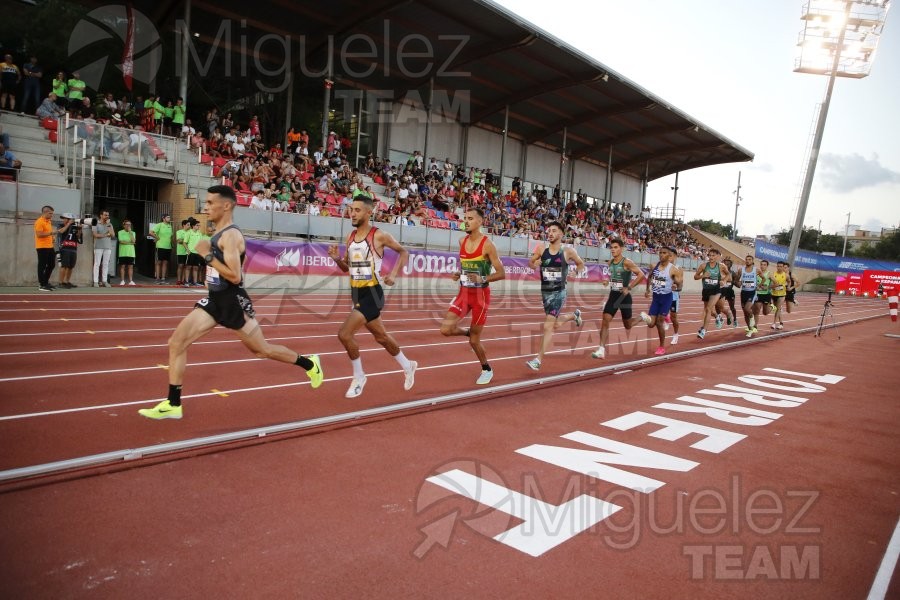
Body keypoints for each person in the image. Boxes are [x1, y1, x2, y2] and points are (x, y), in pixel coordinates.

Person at [139, 186, 323, 419]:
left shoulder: (231, 236)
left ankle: (310, 364)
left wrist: (207, 256)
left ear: (226, 205)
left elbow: (235, 276)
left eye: (209, 202)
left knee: (261, 350)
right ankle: (173, 403)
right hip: (215, 299)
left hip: (232, 300)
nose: (205, 207)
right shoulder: (217, 233)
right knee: (176, 342)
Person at [328, 195, 416, 398]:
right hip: (356, 292)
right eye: (351, 209)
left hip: (373, 293)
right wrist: (336, 259)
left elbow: (404, 252)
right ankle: (408, 364)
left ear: (369, 212)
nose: (353, 213)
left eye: (357, 210)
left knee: (344, 334)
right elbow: (347, 268)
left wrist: (393, 274)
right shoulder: (350, 237)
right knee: (382, 337)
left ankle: (359, 376)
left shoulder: (379, 235)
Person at [440, 207, 506, 384]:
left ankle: (486, 369)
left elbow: (501, 273)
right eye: (465, 218)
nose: (466, 221)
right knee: (445, 329)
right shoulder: (461, 241)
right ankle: (467, 332)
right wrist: (458, 273)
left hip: (480, 297)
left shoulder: (487, 245)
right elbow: (465, 267)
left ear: (480, 222)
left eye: (470, 218)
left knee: (474, 342)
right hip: (463, 293)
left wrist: (482, 277)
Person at [525, 221, 585, 370]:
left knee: (548, 326)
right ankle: (574, 315)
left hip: (559, 292)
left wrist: (575, 272)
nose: (550, 233)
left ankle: (538, 360)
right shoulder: (541, 248)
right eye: (549, 231)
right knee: (556, 324)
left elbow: (581, 264)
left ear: (561, 234)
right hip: (545, 293)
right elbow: (530, 263)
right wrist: (535, 263)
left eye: (554, 231)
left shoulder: (567, 251)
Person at [592, 238, 645, 359]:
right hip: (613, 295)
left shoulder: (627, 262)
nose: (613, 250)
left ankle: (641, 317)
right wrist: (607, 281)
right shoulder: (610, 262)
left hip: (624, 297)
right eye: (611, 247)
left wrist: (629, 287)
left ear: (622, 249)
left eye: (615, 247)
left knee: (628, 325)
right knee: (605, 320)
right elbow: (612, 276)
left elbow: (641, 275)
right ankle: (601, 349)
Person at [638, 246, 683, 355]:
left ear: (669, 256)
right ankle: (648, 318)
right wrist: (647, 289)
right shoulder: (654, 266)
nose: (661, 255)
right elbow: (649, 277)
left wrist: (676, 287)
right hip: (656, 298)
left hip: (666, 298)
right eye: (660, 253)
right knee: (650, 324)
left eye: (664, 253)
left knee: (659, 322)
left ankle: (661, 346)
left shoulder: (673, 269)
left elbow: (680, 285)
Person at [693, 248, 729, 339]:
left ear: (717, 256)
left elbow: (728, 274)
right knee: (709, 311)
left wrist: (724, 281)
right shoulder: (703, 266)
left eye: (713, 255)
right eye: (710, 255)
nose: (711, 257)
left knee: (708, 309)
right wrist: (703, 276)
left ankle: (703, 330)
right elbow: (695, 277)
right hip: (706, 290)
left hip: (716, 290)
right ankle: (718, 317)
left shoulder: (721, 266)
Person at [34, 205, 57, 291]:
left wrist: (52, 238)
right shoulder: (39, 222)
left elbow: (47, 233)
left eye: (52, 213)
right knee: (42, 265)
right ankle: (42, 284)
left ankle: (46, 282)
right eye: (50, 213)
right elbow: (39, 234)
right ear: (45, 212)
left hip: (50, 246)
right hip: (42, 247)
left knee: (51, 264)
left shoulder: (48, 221)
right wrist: (51, 233)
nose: (51, 215)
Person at [57, 213, 83, 288]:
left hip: (73, 248)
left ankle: (66, 282)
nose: (64, 220)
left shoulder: (75, 227)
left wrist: (80, 229)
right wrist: (69, 224)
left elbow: (78, 237)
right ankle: (60, 282)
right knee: (64, 266)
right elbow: (61, 231)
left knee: (71, 266)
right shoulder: (61, 225)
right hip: (64, 248)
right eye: (64, 218)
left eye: (65, 218)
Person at [92, 210, 115, 287]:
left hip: (107, 247)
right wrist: (105, 235)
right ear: (101, 215)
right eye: (105, 215)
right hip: (98, 247)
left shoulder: (110, 224)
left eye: (108, 215)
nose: (107, 217)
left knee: (105, 264)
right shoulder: (96, 223)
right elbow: (95, 235)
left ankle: (104, 281)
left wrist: (108, 226)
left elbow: (112, 235)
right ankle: (95, 281)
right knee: (97, 264)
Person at [714, 257, 739, 329]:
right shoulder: (720, 270)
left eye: (729, 263)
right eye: (726, 262)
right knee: (717, 306)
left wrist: (738, 283)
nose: (727, 264)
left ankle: (735, 320)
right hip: (721, 290)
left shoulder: (733, 273)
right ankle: (719, 317)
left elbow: (736, 283)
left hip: (729, 291)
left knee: (732, 307)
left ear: (731, 264)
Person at [738, 254, 759, 338]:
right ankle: (750, 329)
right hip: (743, 292)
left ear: (752, 261)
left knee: (747, 309)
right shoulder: (741, 270)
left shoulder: (756, 270)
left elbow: (764, 278)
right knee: (745, 313)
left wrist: (759, 284)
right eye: (747, 259)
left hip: (752, 292)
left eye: (750, 259)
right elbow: (737, 280)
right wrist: (738, 282)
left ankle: (752, 317)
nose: (748, 261)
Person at [150, 214, 174, 284]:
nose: (169, 218)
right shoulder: (159, 225)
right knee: (158, 262)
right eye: (168, 217)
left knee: (165, 263)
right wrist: (157, 238)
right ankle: (157, 278)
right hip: (160, 246)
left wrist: (172, 244)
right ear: (163, 218)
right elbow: (151, 232)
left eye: (169, 217)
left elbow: (171, 237)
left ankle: (163, 279)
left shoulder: (170, 226)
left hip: (168, 247)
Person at [752, 259, 774, 335]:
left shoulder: (769, 274)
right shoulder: (757, 273)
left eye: (764, 265)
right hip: (758, 294)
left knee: (765, 313)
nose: (762, 266)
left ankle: (772, 307)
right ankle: (755, 327)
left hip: (766, 295)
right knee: (756, 310)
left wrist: (767, 288)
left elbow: (776, 283)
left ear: (767, 266)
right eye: (761, 264)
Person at [117, 219, 137, 285]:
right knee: (122, 266)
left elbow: (133, 241)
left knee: (130, 267)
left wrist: (130, 232)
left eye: (130, 224)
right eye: (127, 224)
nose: (128, 226)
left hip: (131, 253)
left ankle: (131, 281)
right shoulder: (120, 232)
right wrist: (130, 243)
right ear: (124, 225)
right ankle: (122, 280)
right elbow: (121, 241)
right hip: (122, 253)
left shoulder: (133, 233)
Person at [185, 219, 203, 287]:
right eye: (197, 225)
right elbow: (184, 242)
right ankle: (186, 281)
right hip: (190, 253)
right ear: (193, 226)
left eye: (199, 225)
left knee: (196, 268)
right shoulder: (188, 232)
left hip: (197, 253)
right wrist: (188, 250)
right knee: (188, 267)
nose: (198, 226)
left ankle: (195, 282)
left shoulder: (199, 233)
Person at [770, 261, 788, 330]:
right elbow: (771, 283)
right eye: (778, 266)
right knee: (777, 309)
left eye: (781, 266)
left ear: (783, 267)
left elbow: (789, 281)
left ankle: (774, 323)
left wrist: (788, 286)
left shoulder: (786, 275)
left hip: (782, 295)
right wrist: (772, 286)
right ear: (776, 266)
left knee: (777, 308)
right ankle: (781, 323)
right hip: (774, 294)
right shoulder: (773, 274)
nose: (779, 268)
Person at [175, 219, 191, 285]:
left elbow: (191, 241)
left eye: (189, 225)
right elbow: (179, 241)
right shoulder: (179, 232)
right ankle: (179, 280)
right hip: (181, 251)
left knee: (186, 266)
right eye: (188, 225)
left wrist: (184, 240)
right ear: (183, 225)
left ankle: (183, 280)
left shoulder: (190, 232)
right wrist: (186, 241)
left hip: (188, 252)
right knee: (180, 266)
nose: (189, 226)